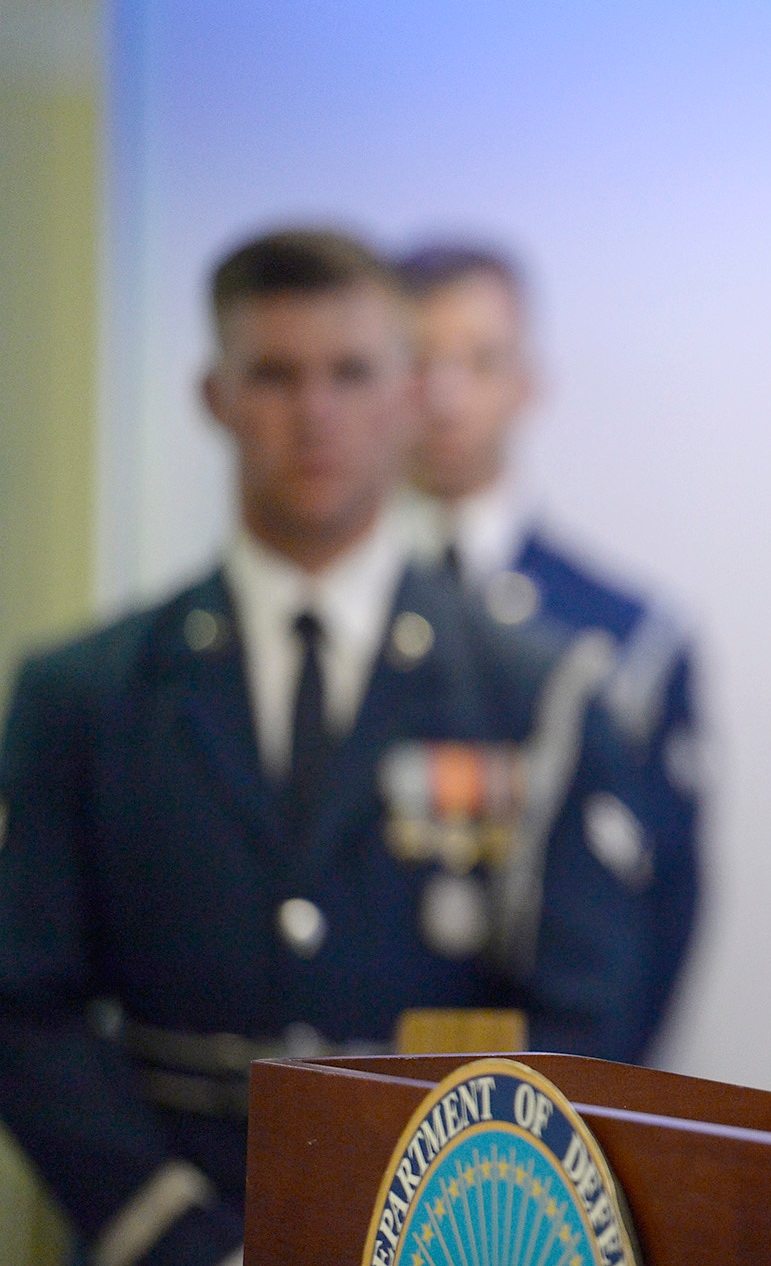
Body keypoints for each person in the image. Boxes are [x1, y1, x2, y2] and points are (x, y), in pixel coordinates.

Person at [0, 230, 665, 1266]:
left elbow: (587, 1012)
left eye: (350, 373)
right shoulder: (85, 694)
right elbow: (24, 1000)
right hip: (163, 1225)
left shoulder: (535, 693)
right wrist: (163, 1227)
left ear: (406, 395)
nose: (313, 413)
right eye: (274, 374)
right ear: (214, 396)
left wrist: (466, 1229)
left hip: (445, 1228)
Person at [393, 242, 700, 1059]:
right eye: (419, 361)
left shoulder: (623, 640)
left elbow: (661, 910)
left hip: (535, 1110)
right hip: (335, 1088)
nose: (446, 394)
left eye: (480, 360)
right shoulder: (322, 623)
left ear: (529, 381)